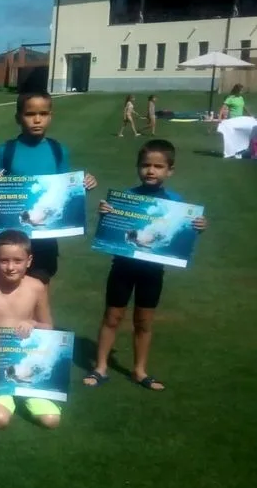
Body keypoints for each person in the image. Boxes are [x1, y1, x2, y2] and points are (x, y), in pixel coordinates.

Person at [83, 140, 208, 391]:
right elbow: (111, 231)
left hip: (152, 272)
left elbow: (181, 232)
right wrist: (106, 213)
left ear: (169, 170)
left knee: (144, 321)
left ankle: (139, 370)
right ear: (138, 168)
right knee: (112, 316)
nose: (151, 171)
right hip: (122, 268)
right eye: (145, 165)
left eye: (158, 166)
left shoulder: (176, 203)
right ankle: (100, 366)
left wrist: (198, 226)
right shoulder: (125, 198)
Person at [0, 92, 98, 285]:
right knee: (4, 297)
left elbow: (63, 191)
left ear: (50, 116)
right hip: (10, 237)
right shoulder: (5, 150)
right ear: (18, 117)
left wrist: (84, 185)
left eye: (43, 114)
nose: (37, 120)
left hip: (44, 236)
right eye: (30, 114)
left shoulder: (58, 150)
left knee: (37, 293)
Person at [0, 230, 59, 430]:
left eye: (18, 260)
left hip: (24, 356)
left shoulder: (37, 287)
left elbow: (49, 327)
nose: (10, 267)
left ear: (29, 260)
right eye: (4, 260)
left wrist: (33, 324)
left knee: (51, 420)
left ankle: (17, 392)